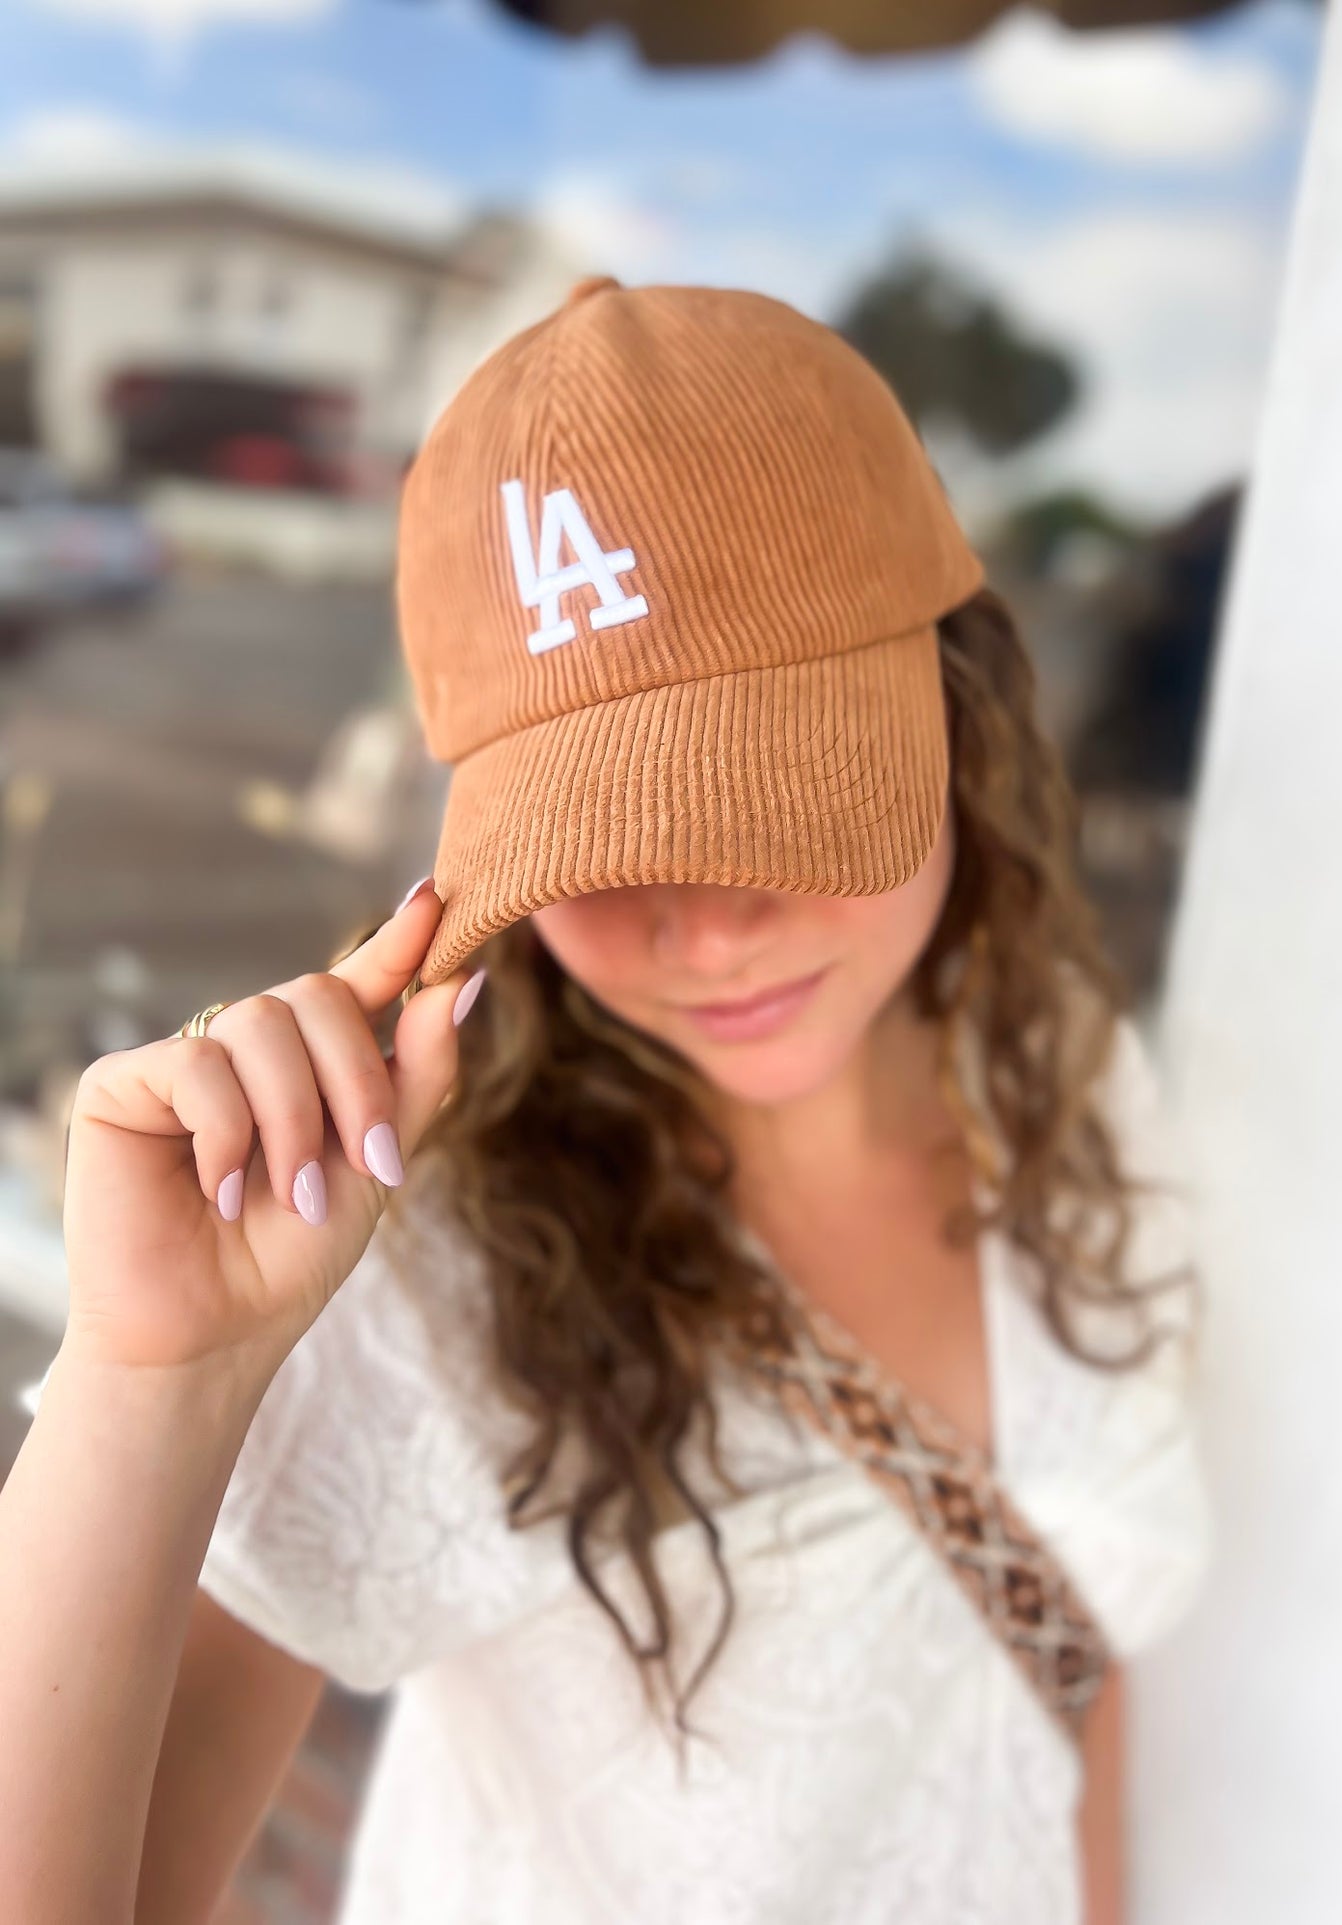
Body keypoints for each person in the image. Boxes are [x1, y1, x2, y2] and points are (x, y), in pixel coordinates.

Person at [0, 278, 1212, 1925]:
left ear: (957, 701)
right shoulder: (427, 1271)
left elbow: (1067, 1665)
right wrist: (152, 1387)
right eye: (605, 836)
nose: (702, 926)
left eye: (777, 791)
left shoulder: (1060, 1068)